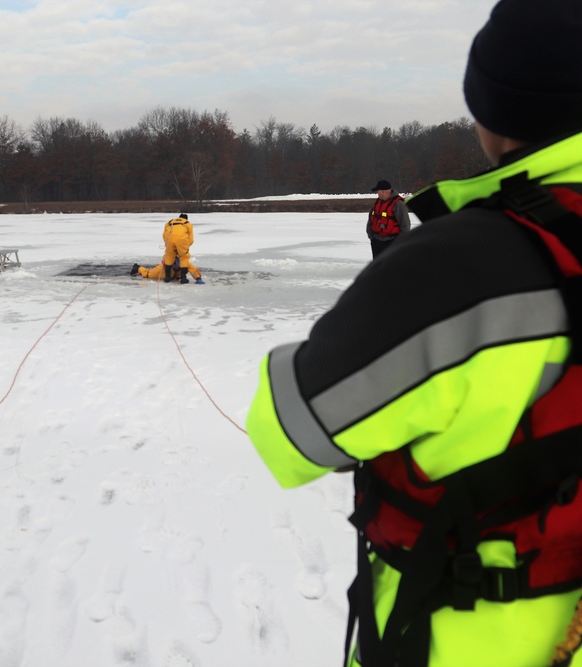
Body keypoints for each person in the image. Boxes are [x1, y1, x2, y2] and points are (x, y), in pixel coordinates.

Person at [245, 2, 582, 666]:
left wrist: (385, 306)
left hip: (469, 634)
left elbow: (291, 430)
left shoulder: (468, 267)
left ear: (488, 108)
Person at [366, 179, 411, 258]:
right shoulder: (378, 202)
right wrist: (371, 237)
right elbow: (370, 219)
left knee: (392, 267)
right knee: (378, 267)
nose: (377, 193)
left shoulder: (398, 204)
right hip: (376, 242)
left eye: (378, 191)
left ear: (383, 191)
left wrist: (400, 243)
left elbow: (405, 226)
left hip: (392, 242)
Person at [162, 213, 195, 283]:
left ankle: (167, 277)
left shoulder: (169, 223)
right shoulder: (188, 224)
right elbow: (191, 239)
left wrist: (167, 243)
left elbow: (164, 234)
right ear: (186, 218)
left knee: (169, 256)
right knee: (184, 257)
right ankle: (183, 278)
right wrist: (185, 247)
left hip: (169, 240)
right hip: (182, 240)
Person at [129, 259, 204, 284]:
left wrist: (198, 278)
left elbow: (193, 269)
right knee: (149, 274)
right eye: (177, 264)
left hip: (173, 273)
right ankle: (138, 268)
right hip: (164, 268)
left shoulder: (184, 262)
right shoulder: (164, 267)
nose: (178, 266)